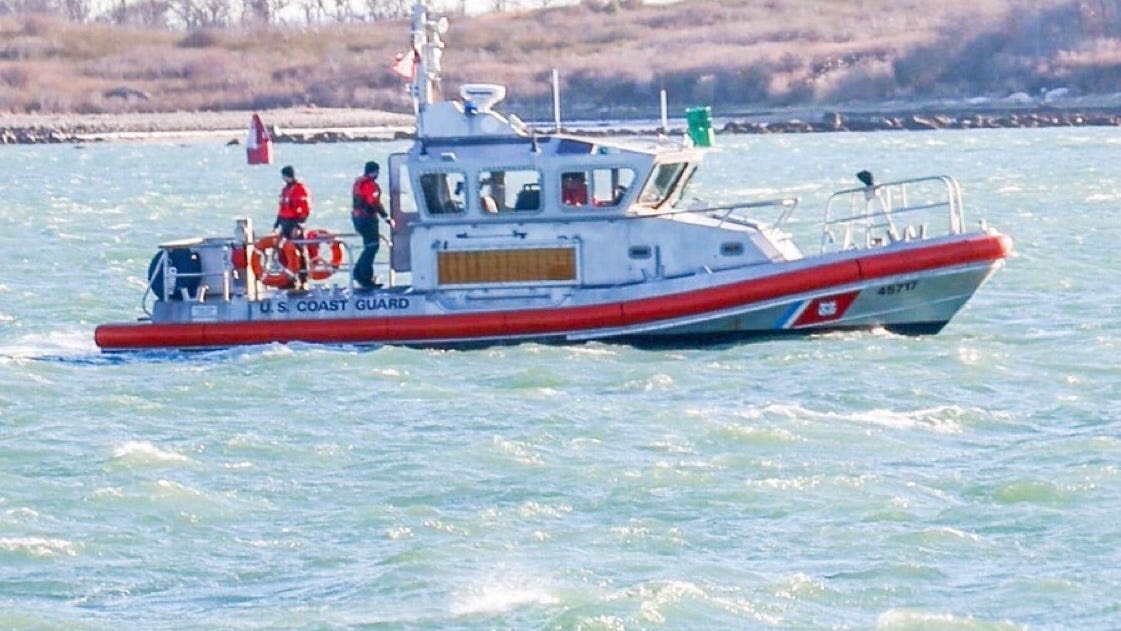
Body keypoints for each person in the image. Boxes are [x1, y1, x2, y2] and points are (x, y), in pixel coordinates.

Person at [351, 160, 392, 289]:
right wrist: (386, 217)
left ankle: (358, 273)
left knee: (369, 247)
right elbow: (373, 202)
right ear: (374, 171)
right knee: (372, 247)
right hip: (367, 219)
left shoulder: (359, 182)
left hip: (358, 219)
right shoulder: (369, 185)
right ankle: (365, 277)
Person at [275, 165, 310, 239]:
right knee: (280, 243)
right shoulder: (285, 190)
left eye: (284, 176)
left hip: (295, 221)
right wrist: (277, 223)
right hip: (284, 222)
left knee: (294, 241)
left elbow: (305, 208)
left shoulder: (300, 189)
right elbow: (282, 208)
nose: (283, 179)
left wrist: (299, 224)